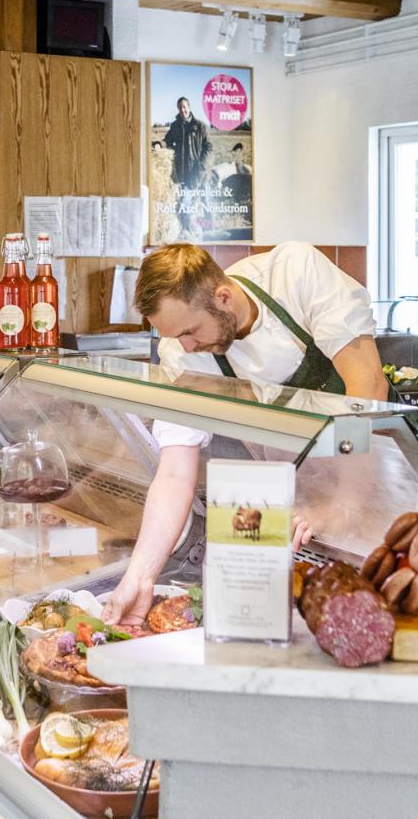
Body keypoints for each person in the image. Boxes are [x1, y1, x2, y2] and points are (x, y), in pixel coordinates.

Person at [103, 242, 390, 627]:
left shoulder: (294, 273)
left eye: (190, 331)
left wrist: (345, 504)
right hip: (293, 501)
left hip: (369, 487)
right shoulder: (182, 352)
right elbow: (173, 474)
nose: (186, 346)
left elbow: (367, 390)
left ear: (223, 297)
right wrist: (140, 577)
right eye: (175, 338)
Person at [158, 97, 210, 235]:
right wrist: (159, 145)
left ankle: (211, 231)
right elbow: (167, 140)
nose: (182, 110)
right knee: (186, 203)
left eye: (184, 106)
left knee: (207, 202)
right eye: (180, 107)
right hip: (184, 173)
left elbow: (208, 147)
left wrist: (201, 166)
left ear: (189, 107)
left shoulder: (200, 126)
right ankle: (187, 231)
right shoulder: (175, 126)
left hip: (200, 171)